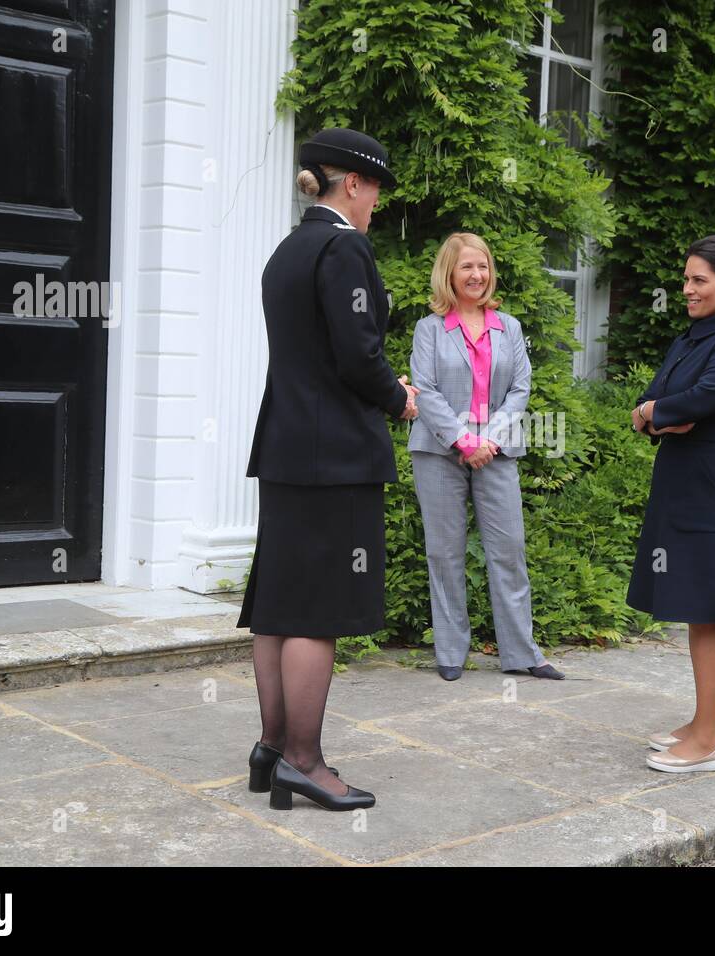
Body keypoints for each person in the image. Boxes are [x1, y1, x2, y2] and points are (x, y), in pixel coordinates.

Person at [237, 128, 419, 811]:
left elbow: (317, 354)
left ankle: (271, 750)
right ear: (353, 184)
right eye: (375, 189)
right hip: (333, 455)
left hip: (285, 448)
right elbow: (355, 356)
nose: (377, 204)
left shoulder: (287, 250)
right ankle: (305, 762)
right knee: (316, 611)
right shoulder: (345, 248)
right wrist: (398, 397)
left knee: (279, 606)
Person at [625, 234, 715, 773]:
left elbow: (692, 402)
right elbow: (659, 398)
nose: (687, 289)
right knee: (694, 605)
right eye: (686, 279)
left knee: (710, 610)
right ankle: (701, 718)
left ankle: (710, 739)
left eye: (699, 281)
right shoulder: (693, 337)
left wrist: (659, 410)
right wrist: (656, 411)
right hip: (685, 481)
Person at [407, 233, 562, 681]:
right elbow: (426, 389)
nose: (477, 275)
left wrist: (487, 439)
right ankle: (451, 652)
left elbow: (520, 388)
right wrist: (463, 440)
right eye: (466, 267)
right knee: (445, 552)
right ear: (449, 274)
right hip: (438, 450)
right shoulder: (428, 329)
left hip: (497, 450)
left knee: (509, 549)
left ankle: (521, 653)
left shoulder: (508, 327)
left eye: (483, 267)